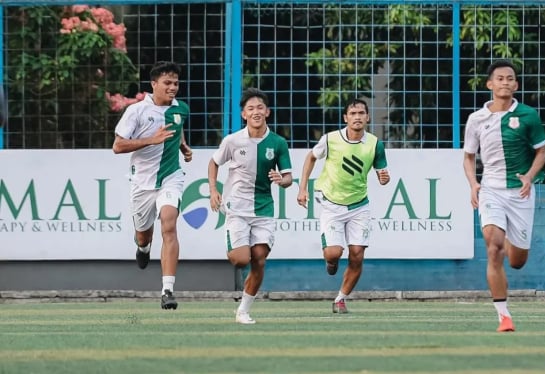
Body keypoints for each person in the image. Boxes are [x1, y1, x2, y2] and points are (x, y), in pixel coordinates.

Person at [462, 60, 545, 332]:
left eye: (510, 79)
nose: (505, 83)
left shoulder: (528, 115)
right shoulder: (476, 119)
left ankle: (514, 238)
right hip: (491, 190)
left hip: (520, 193)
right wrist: (473, 184)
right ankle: (504, 315)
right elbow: (468, 157)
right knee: (493, 247)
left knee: (517, 261)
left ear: (516, 85)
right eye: (500, 78)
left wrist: (530, 176)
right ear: (490, 84)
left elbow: (542, 152)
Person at [297, 98, 390, 314]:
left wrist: (384, 179)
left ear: (367, 117)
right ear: (345, 118)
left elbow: (382, 174)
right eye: (353, 113)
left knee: (357, 253)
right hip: (331, 203)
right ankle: (331, 263)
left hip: (359, 205)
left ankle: (341, 298)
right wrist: (302, 188)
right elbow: (311, 158)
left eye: (361, 113)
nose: (357, 117)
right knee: (333, 253)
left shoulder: (375, 144)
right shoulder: (330, 140)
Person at [112, 61, 193, 310]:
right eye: (167, 83)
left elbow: (176, 129)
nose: (173, 88)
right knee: (143, 234)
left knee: (169, 225)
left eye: (176, 83)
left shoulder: (182, 109)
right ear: (154, 84)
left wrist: (183, 146)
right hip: (142, 183)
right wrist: (151, 139)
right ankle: (143, 247)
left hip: (171, 176)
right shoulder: (136, 111)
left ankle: (167, 290)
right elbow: (118, 146)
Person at [208, 88, 293, 324]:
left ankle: (243, 311)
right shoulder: (232, 141)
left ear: (268, 112)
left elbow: (288, 179)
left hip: (264, 209)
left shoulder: (278, 143)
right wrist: (213, 190)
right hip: (236, 208)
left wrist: (281, 179)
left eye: (260, 108)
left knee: (260, 258)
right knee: (240, 259)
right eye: (250, 108)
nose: (256, 112)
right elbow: (213, 163)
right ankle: (233, 240)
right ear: (244, 115)